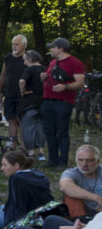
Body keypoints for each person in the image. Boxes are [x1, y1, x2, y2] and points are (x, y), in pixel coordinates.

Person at [40, 37, 85, 167]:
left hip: (63, 102)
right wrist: (43, 78)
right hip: (47, 100)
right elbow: (49, 78)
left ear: (61, 48)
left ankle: (62, 161)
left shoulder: (74, 63)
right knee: (49, 131)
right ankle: (52, 160)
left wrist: (65, 87)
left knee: (62, 132)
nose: (51, 49)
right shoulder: (53, 62)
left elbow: (80, 82)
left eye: (53, 47)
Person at [0, 150, 53, 228]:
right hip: (43, 215)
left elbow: (19, 208)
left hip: (28, 219)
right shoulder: (34, 172)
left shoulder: (17, 179)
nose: (1, 168)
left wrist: (13, 228)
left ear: (16, 166)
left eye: (5, 165)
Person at [0, 35, 27, 149]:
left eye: (17, 44)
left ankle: (24, 146)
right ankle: (12, 144)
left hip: (22, 95)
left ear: (24, 45)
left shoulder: (28, 58)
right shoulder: (8, 57)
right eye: (13, 44)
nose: (14, 46)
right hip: (9, 94)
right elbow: (3, 75)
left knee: (22, 121)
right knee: (11, 120)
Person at [59, 145, 102, 219]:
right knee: (70, 196)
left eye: (89, 160)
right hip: (81, 214)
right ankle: (80, 222)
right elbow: (65, 186)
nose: (84, 164)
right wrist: (97, 198)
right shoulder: (71, 173)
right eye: (80, 160)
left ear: (97, 161)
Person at [18, 50, 46, 161]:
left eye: (25, 60)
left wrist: (23, 92)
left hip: (29, 103)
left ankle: (31, 152)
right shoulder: (45, 69)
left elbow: (21, 82)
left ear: (30, 59)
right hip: (43, 102)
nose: (24, 63)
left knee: (29, 127)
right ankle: (41, 151)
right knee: (41, 127)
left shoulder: (29, 69)